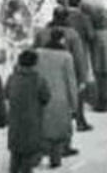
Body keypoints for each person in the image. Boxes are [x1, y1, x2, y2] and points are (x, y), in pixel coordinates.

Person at [34, 29, 79, 167]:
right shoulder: (66, 56)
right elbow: (70, 80)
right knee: (58, 131)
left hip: (40, 95)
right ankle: (55, 158)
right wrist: (74, 103)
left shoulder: (38, 53)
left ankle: (38, 155)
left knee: (41, 127)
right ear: (62, 40)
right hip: (60, 97)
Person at [6, 49, 51, 173]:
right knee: (28, 157)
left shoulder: (12, 78)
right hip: (32, 122)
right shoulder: (39, 79)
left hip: (15, 121)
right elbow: (46, 97)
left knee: (15, 155)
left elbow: (7, 94)